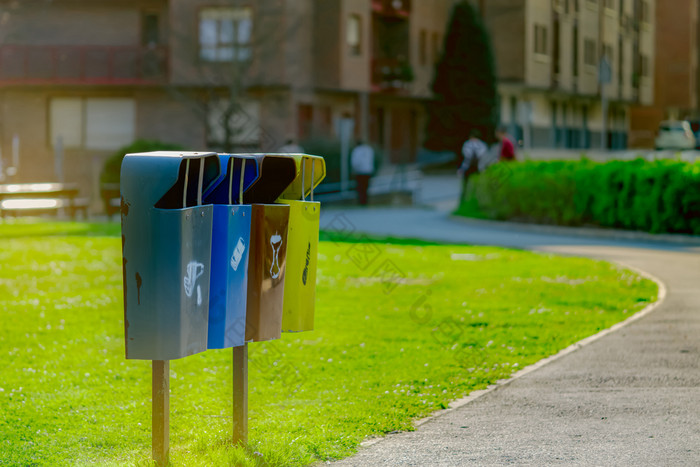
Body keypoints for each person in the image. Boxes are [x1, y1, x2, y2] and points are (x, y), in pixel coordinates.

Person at [458, 129, 488, 202]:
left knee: (465, 185)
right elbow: (483, 155)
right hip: (479, 167)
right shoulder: (482, 145)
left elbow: (466, 155)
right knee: (478, 185)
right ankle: (478, 200)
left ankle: (464, 201)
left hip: (467, 166)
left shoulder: (467, 144)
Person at [350, 140, 374, 206]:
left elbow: (355, 162)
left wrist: (354, 170)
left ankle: (361, 201)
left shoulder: (356, 150)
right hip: (368, 171)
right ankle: (365, 201)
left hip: (360, 172)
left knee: (360, 187)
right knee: (366, 187)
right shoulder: (369, 149)